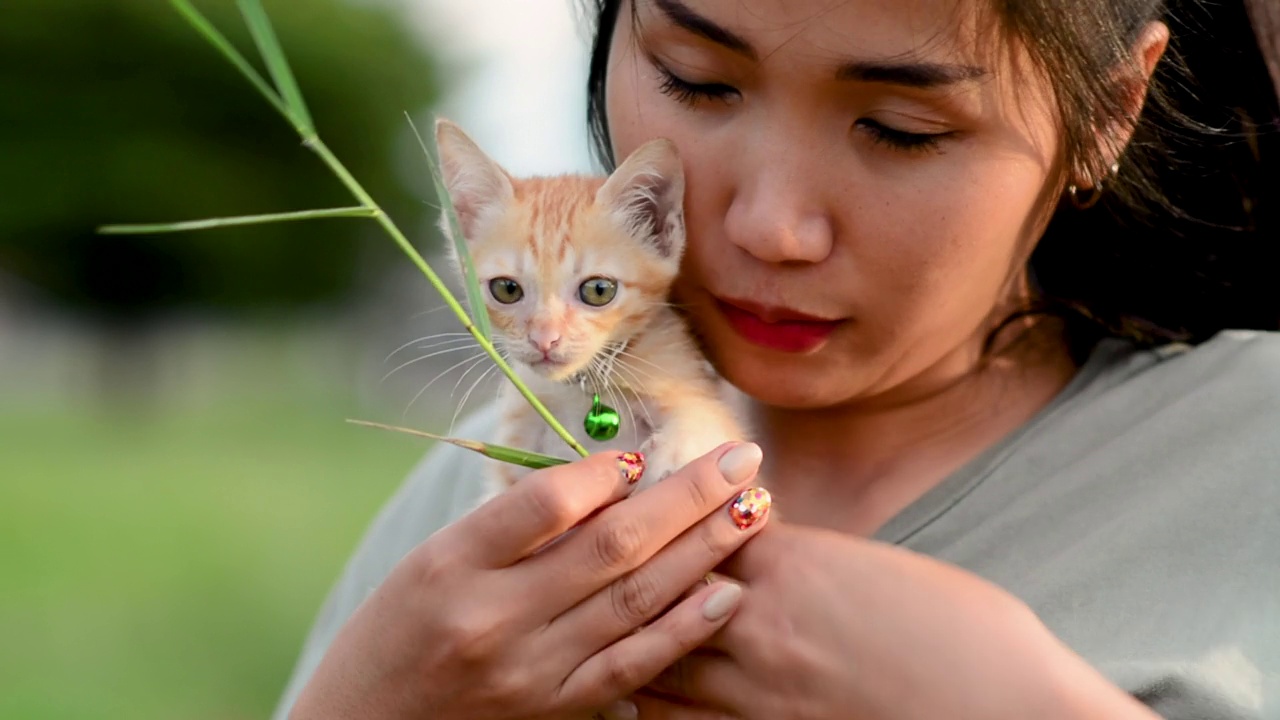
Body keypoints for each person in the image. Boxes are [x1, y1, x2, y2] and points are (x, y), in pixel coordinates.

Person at [274, 0, 1280, 717]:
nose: (772, 227)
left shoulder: (1246, 461)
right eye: (696, 82)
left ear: (1108, 110)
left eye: (899, 130)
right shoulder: (503, 472)